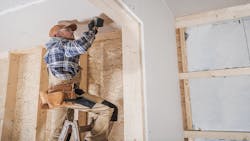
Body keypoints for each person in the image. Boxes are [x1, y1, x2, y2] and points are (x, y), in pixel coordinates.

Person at [43, 20, 118, 141]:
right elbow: (81, 46)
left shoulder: (58, 50)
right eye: (68, 30)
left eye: (72, 30)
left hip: (61, 95)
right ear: (57, 35)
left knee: (60, 132)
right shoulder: (59, 45)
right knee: (108, 109)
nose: (72, 32)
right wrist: (92, 30)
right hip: (67, 95)